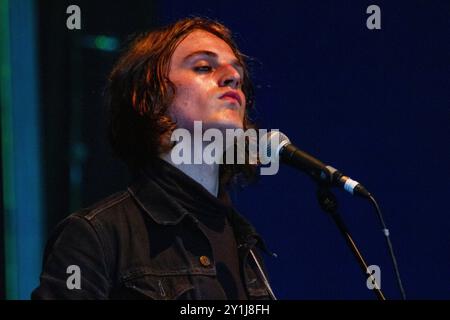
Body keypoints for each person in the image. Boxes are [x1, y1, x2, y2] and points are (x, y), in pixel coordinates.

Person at [32, 17, 276, 300]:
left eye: (238, 73)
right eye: (203, 67)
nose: (232, 77)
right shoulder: (96, 236)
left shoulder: (245, 242)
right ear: (149, 97)